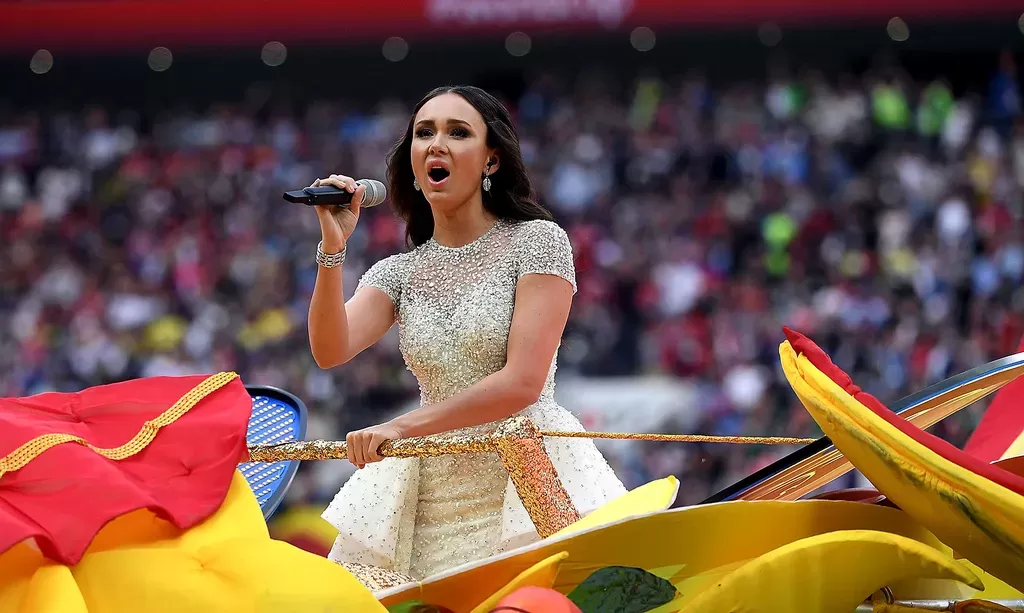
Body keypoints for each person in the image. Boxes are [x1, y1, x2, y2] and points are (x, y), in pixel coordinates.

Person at [307, 85, 627, 582]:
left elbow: (522, 383)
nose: (437, 144)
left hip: (524, 483)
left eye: (458, 133)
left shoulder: (538, 242)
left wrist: (401, 428)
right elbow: (330, 350)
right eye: (424, 133)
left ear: (491, 160)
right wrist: (333, 249)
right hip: (424, 500)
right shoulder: (398, 273)